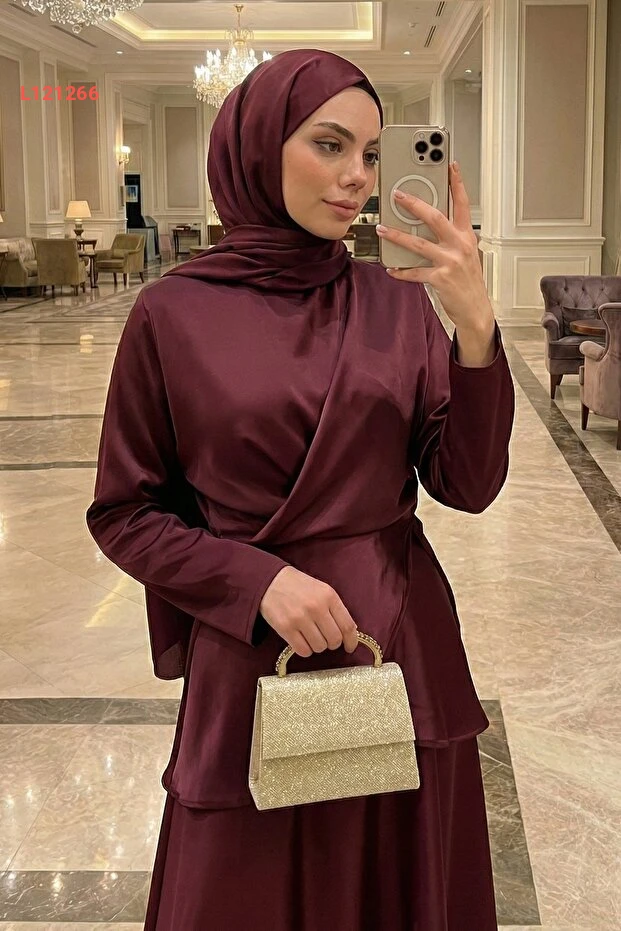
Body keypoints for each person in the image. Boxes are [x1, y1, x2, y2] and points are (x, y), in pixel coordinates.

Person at [86, 49, 514, 931]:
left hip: (395, 644)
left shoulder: (393, 299)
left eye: (370, 153)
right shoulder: (172, 313)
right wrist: (257, 582)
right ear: (257, 146)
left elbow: (467, 484)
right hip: (252, 652)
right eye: (329, 144)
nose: (358, 176)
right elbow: (126, 511)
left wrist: (474, 329)